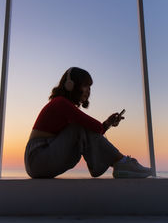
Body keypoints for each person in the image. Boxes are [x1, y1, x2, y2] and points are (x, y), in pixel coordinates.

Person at [24, 67, 152, 179]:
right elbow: (95, 127)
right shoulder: (60, 102)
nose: (88, 90)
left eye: (90, 87)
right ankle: (122, 163)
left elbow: (95, 128)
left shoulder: (62, 104)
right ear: (70, 85)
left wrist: (108, 123)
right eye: (85, 85)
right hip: (37, 157)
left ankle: (121, 163)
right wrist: (106, 124)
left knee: (80, 127)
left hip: (40, 159)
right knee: (78, 127)